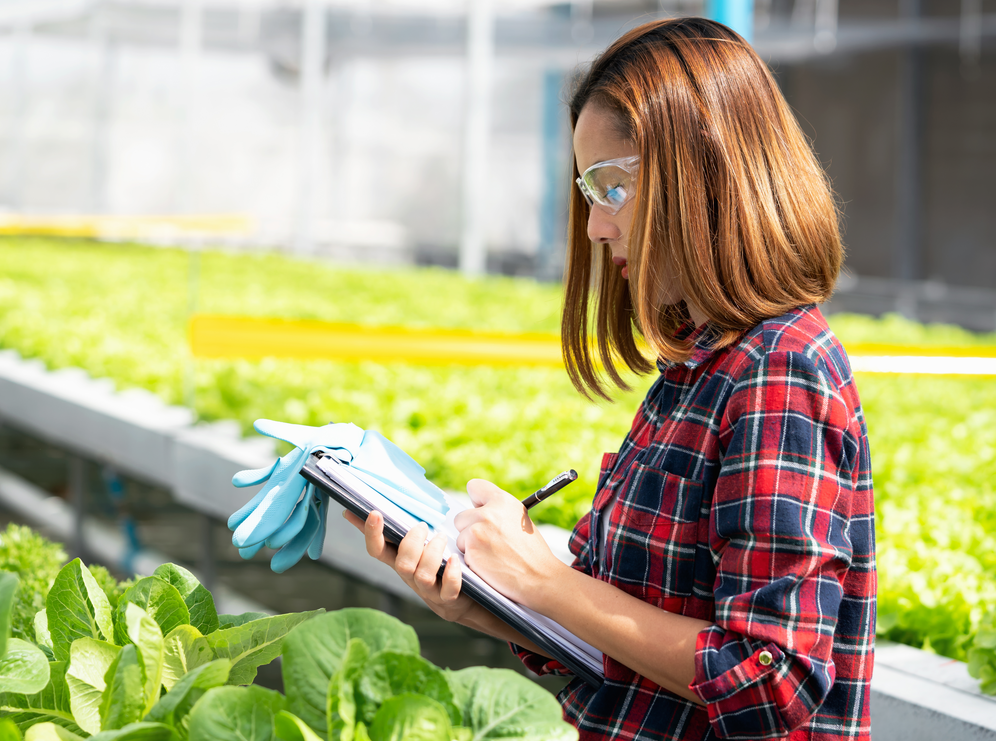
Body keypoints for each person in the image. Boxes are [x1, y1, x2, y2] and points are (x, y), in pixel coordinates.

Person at [343, 17, 876, 741]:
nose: (595, 226)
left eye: (612, 186)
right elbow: (626, 647)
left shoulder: (779, 372)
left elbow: (770, 679)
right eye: (587, 188)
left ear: (706, 177)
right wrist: (490, 595)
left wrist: (548, 581)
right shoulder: (695, 369)